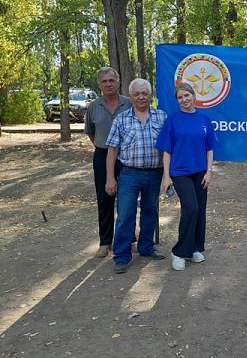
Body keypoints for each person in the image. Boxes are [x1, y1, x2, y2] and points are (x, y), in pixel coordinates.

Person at [105, 78, 167, 274]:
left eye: (145, 93)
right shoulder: (121, 119)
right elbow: (112, 151)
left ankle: (146, 247)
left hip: (155, 173)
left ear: (151, 95)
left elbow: (169, 150)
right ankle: (122, 256)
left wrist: (167, 175)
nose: (141, 97)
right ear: (130, 96)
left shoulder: (162, 117)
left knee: (150, 212)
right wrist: (110, 178)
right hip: (129, 174)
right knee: (125, 215)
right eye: (137, 94)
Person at [156, 83, 218, 271]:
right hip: (180, 172)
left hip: (200, 172)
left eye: (187, 95)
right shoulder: (172, 120)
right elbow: (166, 151)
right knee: (190, 208)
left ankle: (195, 249)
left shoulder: (204, 119)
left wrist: (209, 171)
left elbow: (210, 149)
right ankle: (179, 251)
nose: (184, 100)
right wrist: (166, 177)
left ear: (194, 95)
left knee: (200, 211)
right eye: (180, 97)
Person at [84, 67, 132, 258]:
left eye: (111, 80)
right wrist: (104, 146)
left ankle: (130, 239)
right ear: (99, 84)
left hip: (127, 156)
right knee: (105, 199)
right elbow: (92, 134)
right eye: (104, 81)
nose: (108, 84)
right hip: (102, 155)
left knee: (128, 199)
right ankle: (105, 242)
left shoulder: (129, 104)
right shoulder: (93, 107)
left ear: (118, 81)